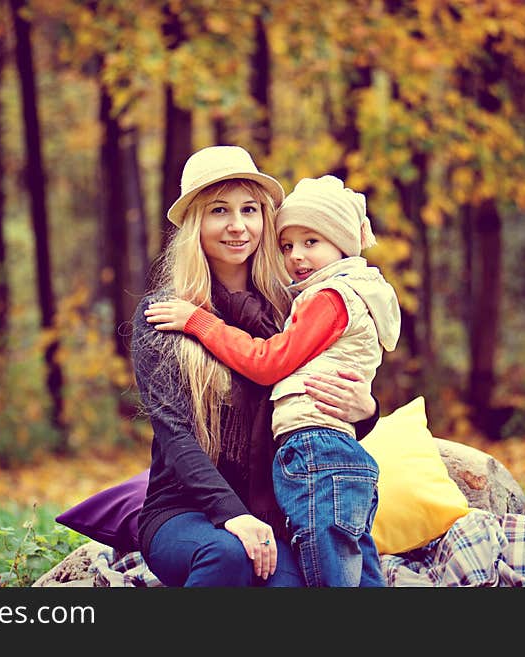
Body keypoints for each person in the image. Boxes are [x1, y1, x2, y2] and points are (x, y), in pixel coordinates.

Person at [133, 146, 382, 587]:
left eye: (249, 209)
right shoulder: (166, 314)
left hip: (276, 508)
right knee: (228, 555)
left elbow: (307, 419)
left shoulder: (292, 311)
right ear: (195, 225)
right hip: (186, 509)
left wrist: (365, 411)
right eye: (219, 211)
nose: (237, 225)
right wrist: (233, 516)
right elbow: (176, 436)